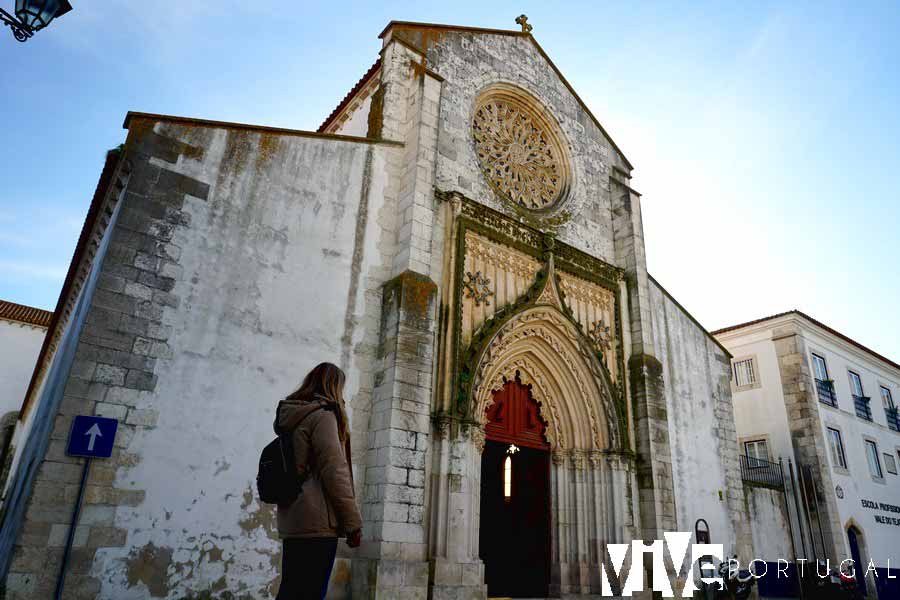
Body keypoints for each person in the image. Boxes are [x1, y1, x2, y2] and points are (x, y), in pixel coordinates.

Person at [274, 362, 362, 600]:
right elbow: (335, 471)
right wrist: (353, 523)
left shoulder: (294, 415)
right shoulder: (322, 416)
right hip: (318, 522)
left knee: (291, 590)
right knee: (310, 593)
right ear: (334, 386)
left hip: (294, 518)